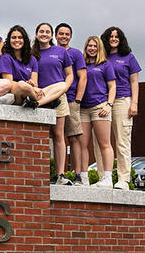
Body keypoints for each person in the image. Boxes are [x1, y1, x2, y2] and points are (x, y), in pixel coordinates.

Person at [31, 22, 74, 185]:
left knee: (58, 135)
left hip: (58, 96)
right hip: (39, 95)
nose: (44, 34)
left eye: (47, 32)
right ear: (36, 34)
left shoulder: (61, 51)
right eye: (41, 31)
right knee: (39, 135)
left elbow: (69, 75)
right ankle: (39, 174)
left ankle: (60, 175)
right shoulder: (32, 53)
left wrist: (65, 88)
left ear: (52, 35)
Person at [102, 26, 141, 190]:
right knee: (102, 142)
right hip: (102, 101)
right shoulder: (101, 57)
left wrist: (134, 103)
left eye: (116, 36)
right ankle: (103, 177)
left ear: (121, 39)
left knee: (122, 141)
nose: (113, 39)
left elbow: (134, 81)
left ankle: (124, 179)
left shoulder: (128, 57)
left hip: (122, 100)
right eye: (110, 36)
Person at [80, 36, 117, 188]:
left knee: (104, 143)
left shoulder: (105, 65)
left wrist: (109, 104)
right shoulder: (82, 64)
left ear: (99, 48)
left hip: (100, 107)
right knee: (82, 145)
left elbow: (112, 86)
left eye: (95, 46)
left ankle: (107, 178)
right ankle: (83, 178)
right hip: (83, 108)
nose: (92, 48)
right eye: (89, 46)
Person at [55, 22, 88, 186]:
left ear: (70, 36)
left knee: (74, 138)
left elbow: (82, 76)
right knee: (56, 137)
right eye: (61, 34)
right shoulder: (51, 52)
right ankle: (57, 174)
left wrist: (78, 99)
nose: (64, 36)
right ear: (56, 36)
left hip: (71, 99)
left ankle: (77, 174)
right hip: (53, 99)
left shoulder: (76, 54)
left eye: (67, 34)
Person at [0, 25, 43, 107]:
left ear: (25, 40)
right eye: (14, 37)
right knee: (23, 85)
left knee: (61, 85)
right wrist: (27, 86)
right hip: (15, 92)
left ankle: (34, 101)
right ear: (9, 40)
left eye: (20, 37)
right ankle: (43, 101)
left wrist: (32, 83)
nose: (17, 40)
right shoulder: (6, 57)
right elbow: (9, 82)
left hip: (31, 90)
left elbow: (35, 84)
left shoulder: (32, 59)